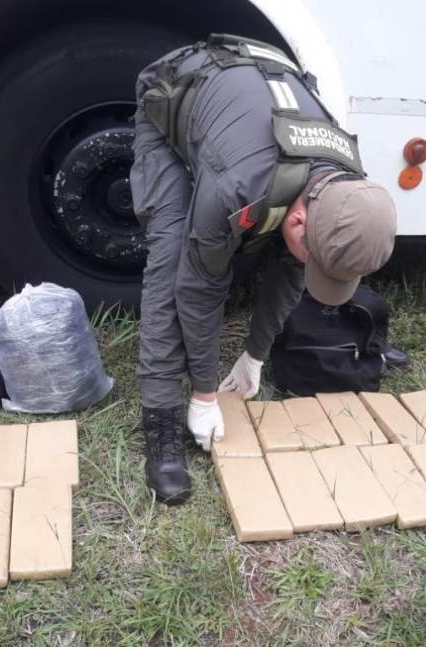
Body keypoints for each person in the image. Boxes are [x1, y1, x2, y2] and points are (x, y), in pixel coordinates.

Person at [130, 34, 397, 504]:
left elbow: (293, 269)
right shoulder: (239, 189)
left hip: (245, 108)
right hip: (173, 92)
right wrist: (204, 394)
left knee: (287, 255)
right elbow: (199, 290)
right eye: (310, 250)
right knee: (172, 257)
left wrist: (254, 355)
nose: (308, 264)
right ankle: (160, 422)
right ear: (297, 219)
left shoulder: (345, 187)